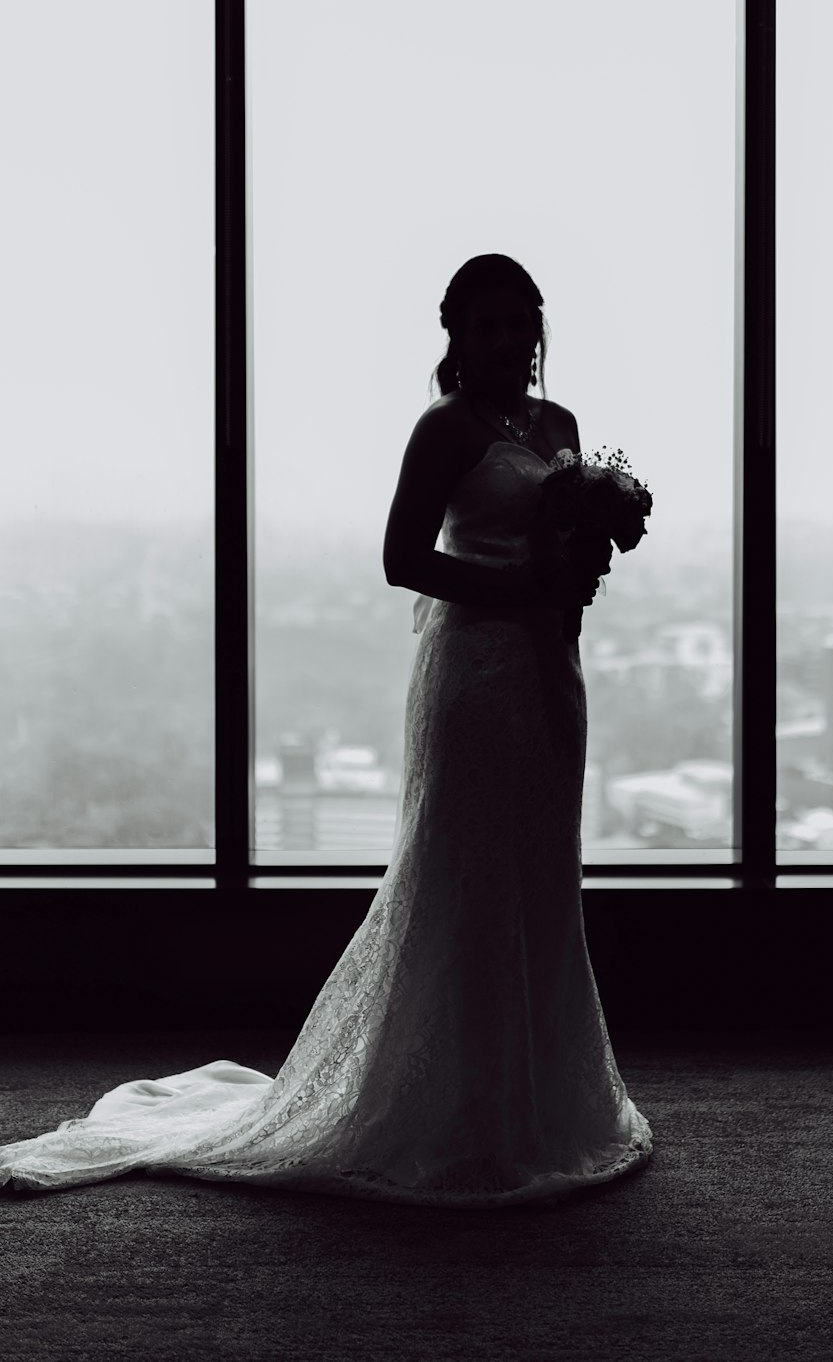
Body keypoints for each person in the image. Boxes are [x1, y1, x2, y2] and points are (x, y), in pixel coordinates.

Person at [0, 253, 653, 1209]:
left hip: (551, 668)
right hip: (473, 676)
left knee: (541, 872)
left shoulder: (560, 428)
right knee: (466, 873)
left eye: (521, 323)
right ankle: (459, 1112)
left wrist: (575, 581)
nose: (508, 341)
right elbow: (400, 558)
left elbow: (561, 547)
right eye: (488, 326)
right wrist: (516, 590)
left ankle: (539, 1101)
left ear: (540, 331)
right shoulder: (441, 431)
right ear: (458, 340)